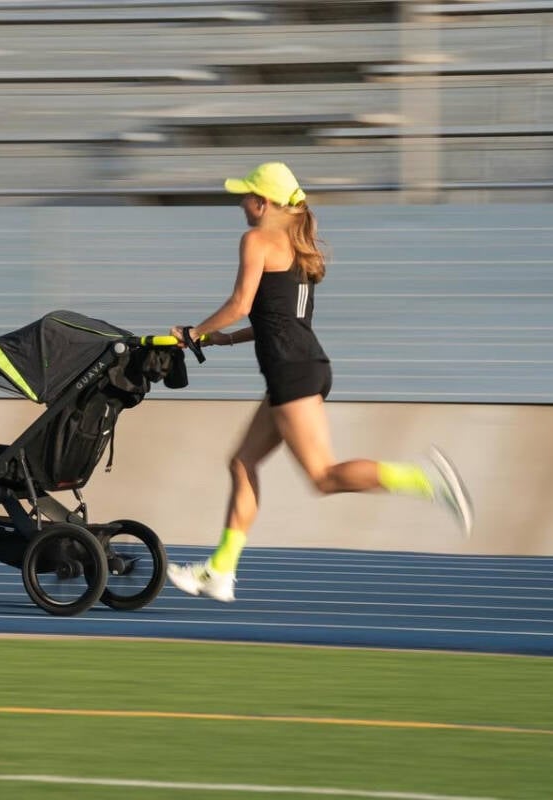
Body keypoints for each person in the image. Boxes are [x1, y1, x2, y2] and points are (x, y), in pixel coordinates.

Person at [166, 162, 473, 603]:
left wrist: (192, 335)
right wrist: (224, 341)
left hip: (292, 370)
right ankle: (221, 571)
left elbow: (240, 302)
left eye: (245, 196)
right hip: (299, 365)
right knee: (241, 462)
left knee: (323, 477)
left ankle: (424, 480)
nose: (240, 204)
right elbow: (276, 319)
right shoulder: (297, 246)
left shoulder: (256, 240)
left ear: (264, 202)